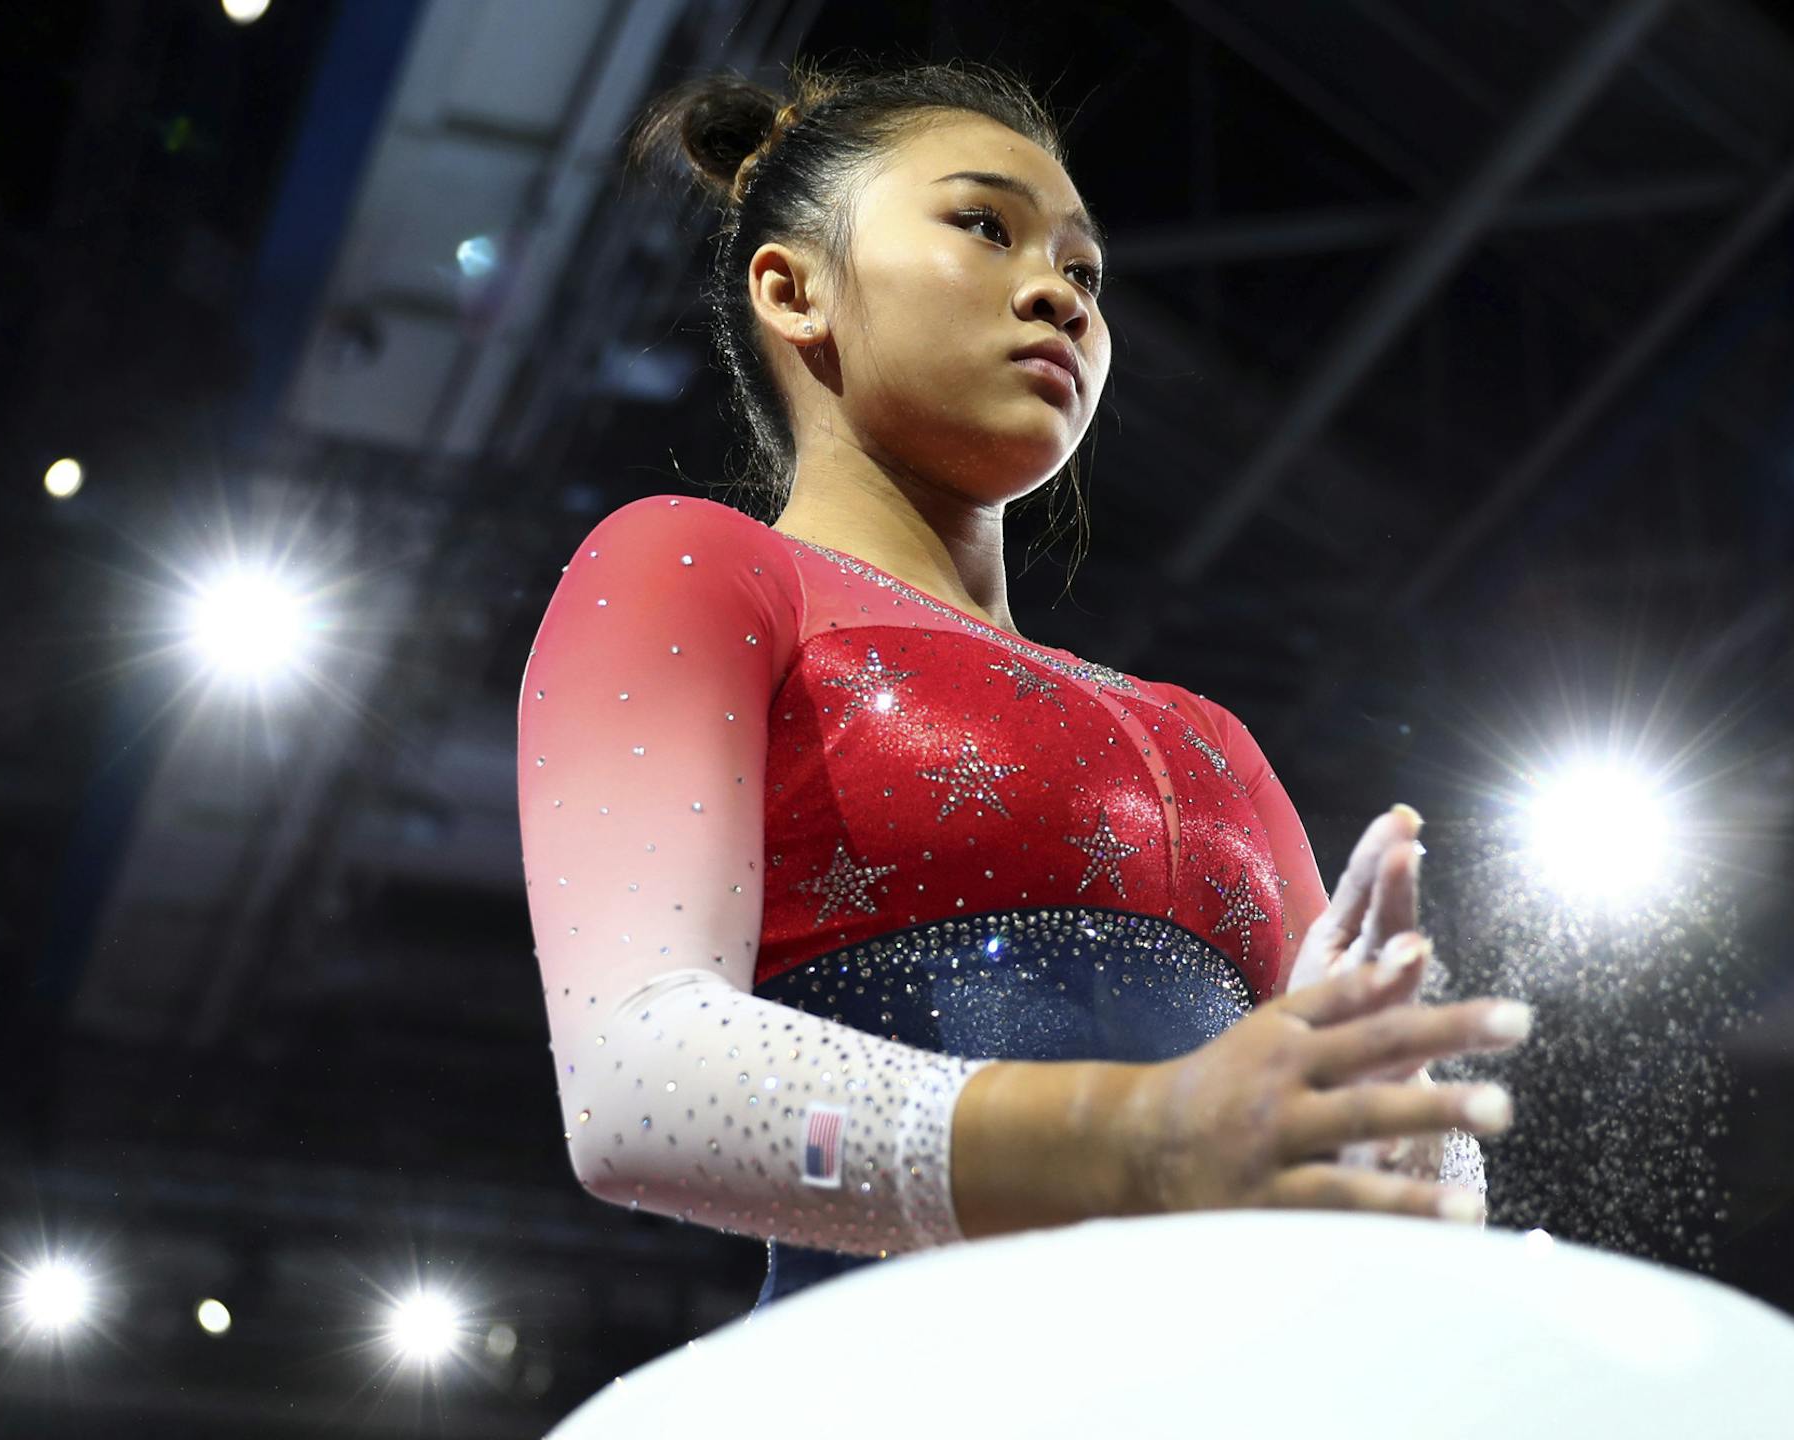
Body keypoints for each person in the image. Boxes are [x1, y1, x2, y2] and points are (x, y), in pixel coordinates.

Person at [516, 55, 1531, 1317]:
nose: (1058, 293)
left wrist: (1394, 1133)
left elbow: (1366, 1202)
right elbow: (639, 1082)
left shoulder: (1208, 737)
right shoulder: (699, 566)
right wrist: (1139, 1131)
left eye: (1086, 273)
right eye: (985, 226)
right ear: (796, 289)